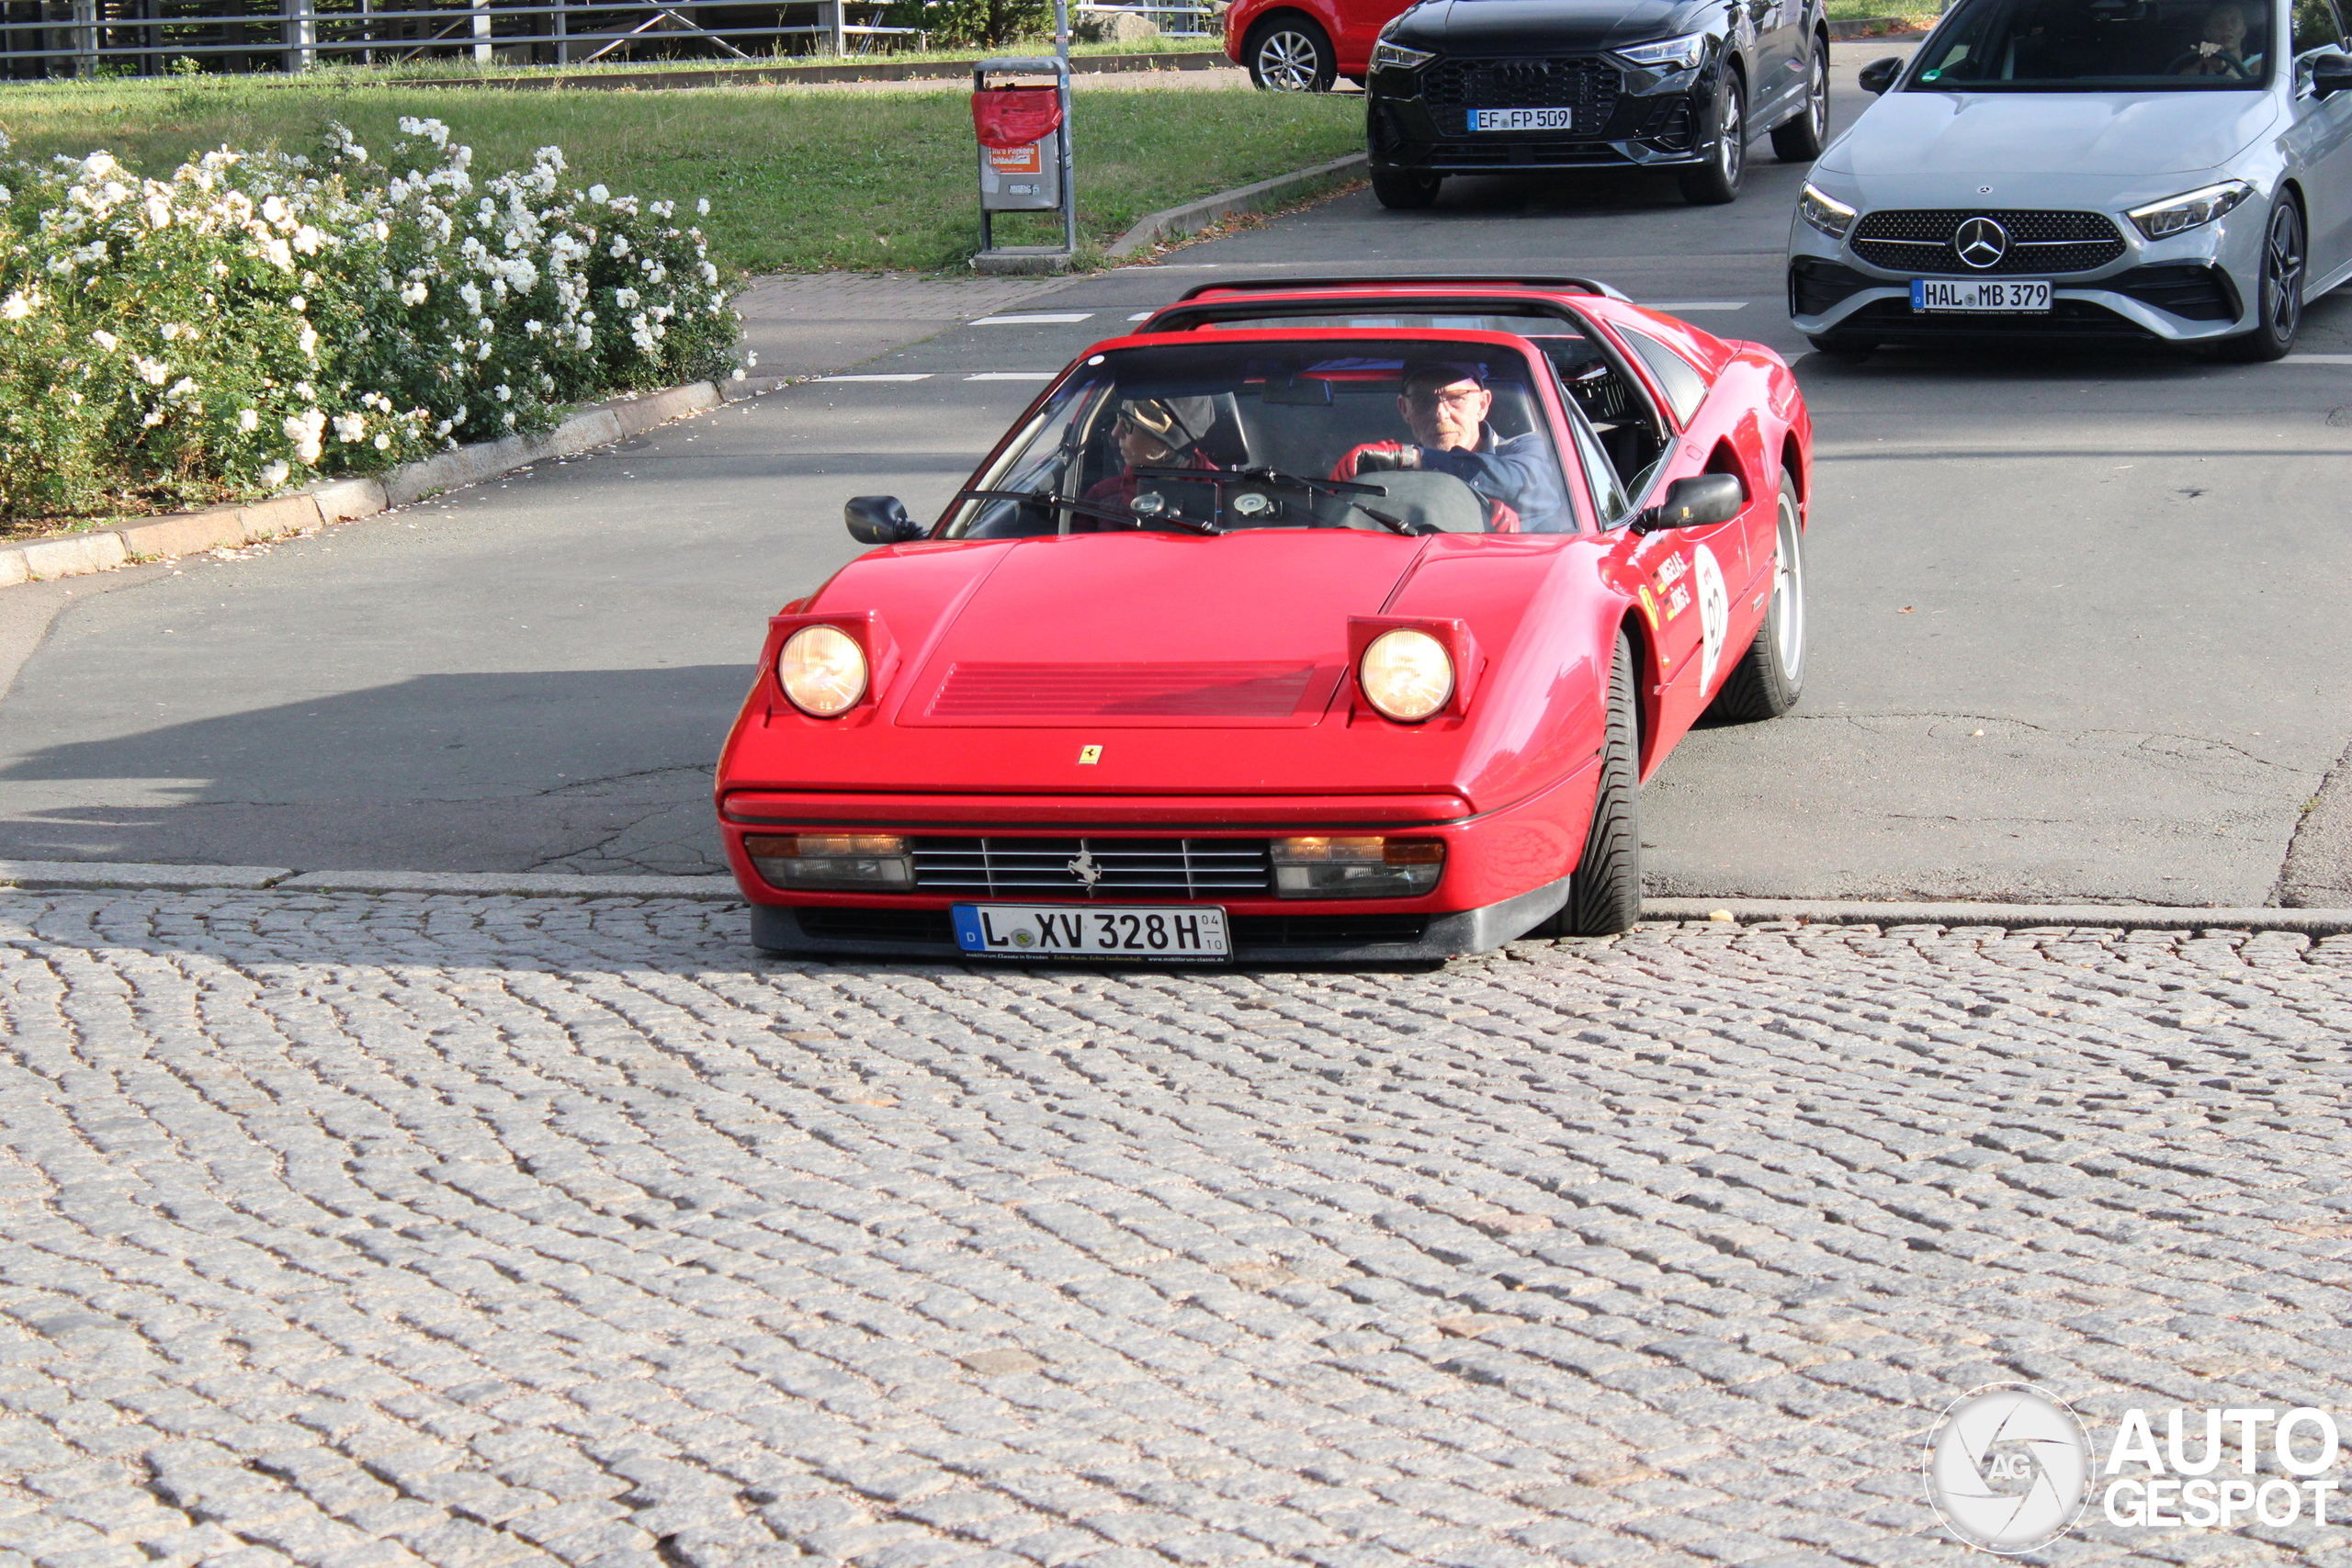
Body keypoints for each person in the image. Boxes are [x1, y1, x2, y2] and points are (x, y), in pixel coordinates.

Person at [1329, 361, 1573, 532]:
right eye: (1424, 400)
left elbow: (1521, 482)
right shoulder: (1390, 478)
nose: (1440, 414)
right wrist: (1342, 491)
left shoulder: (1528, 449)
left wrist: (1411, 457)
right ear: (1405, 409)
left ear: (1482, 405)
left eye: (1456, 398)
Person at [1082, 397, 1216, 513]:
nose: (1115, 433)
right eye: (1119, 418)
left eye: (1129, 423)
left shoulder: (1227, 500)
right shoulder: (1102, 498)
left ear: (1166, 442)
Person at [2176, 2, 2255, 74]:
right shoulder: (2191, 74)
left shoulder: (2260, 66)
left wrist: (2221, 67)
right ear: (2207, 32)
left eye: (2234, 21)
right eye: (2218, 22)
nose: (2227, 27)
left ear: (2244, 31)